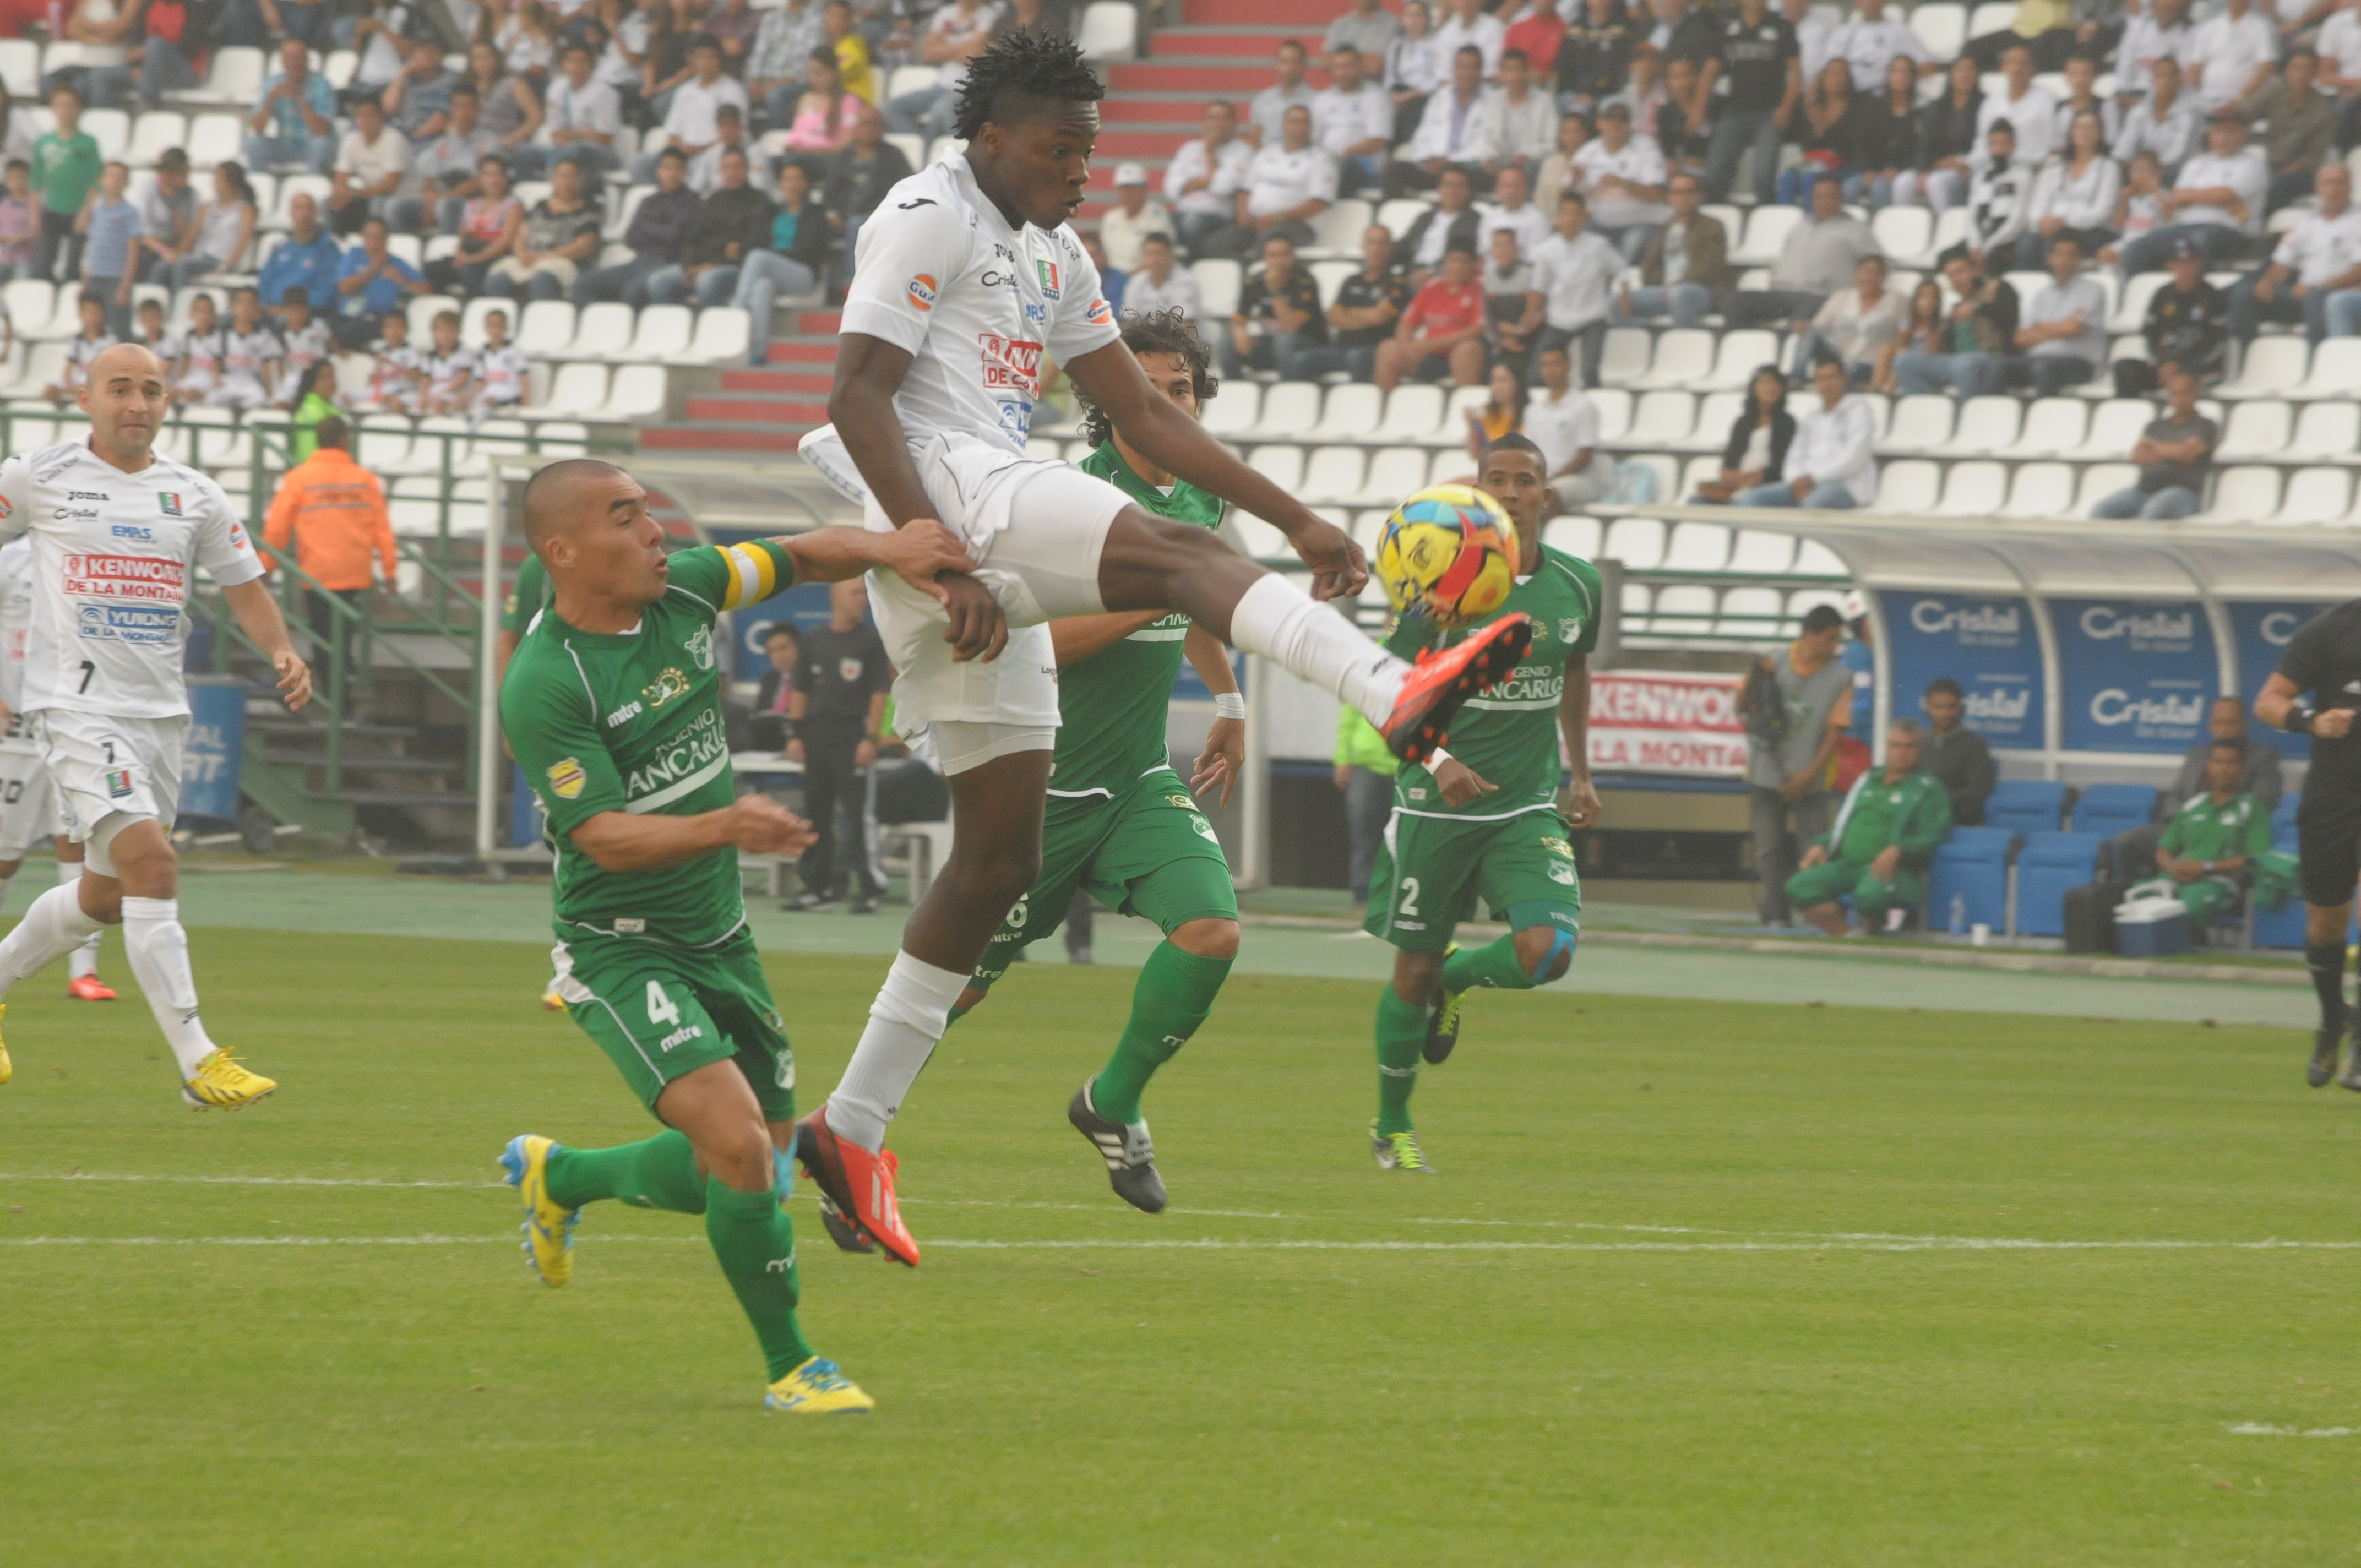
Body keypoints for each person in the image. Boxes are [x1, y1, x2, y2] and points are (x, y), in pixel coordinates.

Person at [793, 32, 1531, 1263]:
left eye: (1089, 149)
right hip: (944, 492)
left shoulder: (1055, 249)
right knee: (1184, 555)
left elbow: (1136, 407)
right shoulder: (925, 213)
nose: (1082, 170)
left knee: (994, 862)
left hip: (960, 531)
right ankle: (1396, 690)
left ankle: (847, 1128)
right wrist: (941, 553)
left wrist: (1294, 516)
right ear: (991, 138)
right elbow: (855, 396)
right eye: (1060, 148)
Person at [493, 465, 980, 1416]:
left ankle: (564, 1175)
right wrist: (727, 824)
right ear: (563, 551)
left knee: (757, 1162)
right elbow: (602, 838)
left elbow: (802, 555)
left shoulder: (685, 587)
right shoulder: (546, 681)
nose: (654, 532)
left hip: (720, 934)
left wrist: (886, 548)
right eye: (626, 518)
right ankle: (793, 1366)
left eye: (648, 512)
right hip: (621, 946)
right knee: (740, 1146)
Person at [934, 311, 1246, 1212]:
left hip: (1137, 782)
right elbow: (1031, 642)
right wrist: (1155, 589)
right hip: (1040, 796)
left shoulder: (1200, 498)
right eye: (1147, 390)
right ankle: (844, 1137)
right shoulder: (1070, 505)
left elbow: (1194, 604)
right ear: (1108, 404)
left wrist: (1227, 701)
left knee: (1212, 931)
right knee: (941, 1000)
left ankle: (1111, 1103)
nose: (1170, 404)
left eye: (1182, 389)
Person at [0, 344, 311, 1104]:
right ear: (86, 398)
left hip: (161, 716)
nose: (137, 403)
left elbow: (244, 586)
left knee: (105, 897)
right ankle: (199, 1062)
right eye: (120, 389)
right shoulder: (38, 476)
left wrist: (281, 648)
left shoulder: (194, 495)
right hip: (76, 709)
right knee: (153, 863)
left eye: (151, 390)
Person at [1359, 432, 1600, 1172]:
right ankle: (1392, 1129)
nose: (1510, 492)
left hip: (1524, 806)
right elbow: (1378, 688)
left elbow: (1575, 669)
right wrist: (1437, 759)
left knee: (1548, 952)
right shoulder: (1439, 585)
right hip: (1434, 808)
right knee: (1410, 971)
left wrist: (1581, 771)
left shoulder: (1579, 583)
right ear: (1477, 491)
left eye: (1524, 480)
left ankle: (1457, 977)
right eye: (1497, 479)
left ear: (1545, 495)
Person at [0, 535, 110, 1003]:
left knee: (79, 845)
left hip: (72, 728)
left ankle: (85, 972)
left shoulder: (91, 558)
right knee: (5, 855)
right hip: (16, 730)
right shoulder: (10, 560)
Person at [2256, 611, 2361, 1085]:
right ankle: (2332, 1021)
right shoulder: (2331, 630)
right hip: (2331, 797)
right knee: (2325, 926)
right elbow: (2268, 702)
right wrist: (2313, 722)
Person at [779, 576, 890, 914]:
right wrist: (795, 735)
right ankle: (818, 888)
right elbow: (801, 691)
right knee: (816, 813)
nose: (861, 600)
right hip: (817, 736)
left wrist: (870, 738)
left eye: (864, 594)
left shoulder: (870, 641)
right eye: (855, 592)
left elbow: (879, 693)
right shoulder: (814, 640)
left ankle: (869, 887)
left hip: (852, 736)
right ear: (835, 595)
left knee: (857, 815)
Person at [261, 413, 395, 689]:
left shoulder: (300, 478)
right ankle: (344, 683)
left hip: (317, 573)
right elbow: (382, 529)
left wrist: (266, 565)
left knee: (323, 636)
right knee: (344, 634)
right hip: (354, 571)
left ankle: (333, 690)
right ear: (345, 440)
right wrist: (390, 571)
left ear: (319, 441)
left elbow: (278, 528)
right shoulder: (364, 479)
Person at [1788, 718, 1952, 937]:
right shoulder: (1867, 780)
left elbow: (1933, 836)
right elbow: (1842, 824)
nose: (1901, 752)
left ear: (1920, 750)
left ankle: (1869, 934)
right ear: (1886, 748)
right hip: (1847, 866)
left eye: (1909, 746)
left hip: (1893, 870)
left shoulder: (1928, 788)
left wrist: (1899, 849)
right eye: (1895, 745)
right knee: (1799, 886)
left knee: (1870, 895)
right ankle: (1849, 936)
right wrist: (1821, 845)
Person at [1744, 602, 1849, 927]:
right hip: (1766, 774)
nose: (1835, 646)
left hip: (1812, 780)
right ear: (1809, 634)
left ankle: (1815, 916)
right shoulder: (1772, 661)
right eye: (1830, 638)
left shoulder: (1841, 676)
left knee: (1813, 848)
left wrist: (1808, 775)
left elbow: (1834, 733)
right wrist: (1758, 679)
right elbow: (1744, 706)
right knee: (1769, 849)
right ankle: (1776, 917)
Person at [2108, 695, 2285, 879]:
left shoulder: (2262, 756)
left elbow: (2264, 801)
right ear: (2210, 726)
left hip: (2227, 829)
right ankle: (2130, 889)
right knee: (2127, 842)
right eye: (2219, 723)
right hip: (2183, 824)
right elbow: (2176, 795)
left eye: (2230, 723)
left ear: (2244, 725)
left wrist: (2211, 819)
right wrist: (2185, 823)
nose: (2224, 729)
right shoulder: (2197, 754)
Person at [2115, 110, 2269, 278]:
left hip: (2230, 230)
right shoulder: (2196, 163)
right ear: (2210, 135)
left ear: (2244, 134)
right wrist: (2213, 197)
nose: (2224, 138)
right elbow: (2178, 196)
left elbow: (2225, 195)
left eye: (2231, 131)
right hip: (2186, 227)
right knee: (2135, 250)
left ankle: (2197, 290)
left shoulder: (2252, 165)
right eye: (2219, 132)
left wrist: (2195, 197)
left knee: (2199, 242)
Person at [2147, 741, 2274, 932]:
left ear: (2242, 768)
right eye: (2218, 762)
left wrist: (2205, 867)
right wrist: (2174, 868)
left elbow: (2256, 857)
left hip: (2221, 883)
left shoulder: (2252, 807)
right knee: (2139, 898)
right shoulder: (2193, 805)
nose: (2224, 769)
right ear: (2209, 766)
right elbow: (2164, 850)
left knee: (2187, 905)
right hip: (2177, 877)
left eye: (2231, 763)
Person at [2230, 161, 2361, 346]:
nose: (2334, 189)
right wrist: (2268, 281)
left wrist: (2319, 287)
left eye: (2340, 183)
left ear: (2350, 188)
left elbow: (2359, 270)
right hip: (2303, 294)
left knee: (2315, 297)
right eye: (2328, 183)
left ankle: (2316, 358)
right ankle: (2243, 357)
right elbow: (2282, 264)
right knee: (2245, 294)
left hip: (2338, 293)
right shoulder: (2305, 222)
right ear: (2317, 189)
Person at [1729, 172, 1880, 328]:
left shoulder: (1857, 230)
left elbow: (1876, 265)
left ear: (1841, 198)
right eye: (1819, 197)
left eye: (1830, 197)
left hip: (1822, 295)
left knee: (1803, 317)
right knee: (1737, 301)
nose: (1824, 202)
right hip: (1784, 293)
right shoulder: (1800, 227)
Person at [1735, 354, 1875, 508]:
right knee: (1750, 499)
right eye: (1820, 379)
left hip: (1845, 486)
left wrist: (1812, 479)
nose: (1826, 384)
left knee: (1813, 504)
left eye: (1831, 377)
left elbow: (1854, 459)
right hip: (1805, 484)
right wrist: (1796, 482)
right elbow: (1794, 457)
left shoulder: (1858, 410)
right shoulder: (1811, 419)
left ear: (1844, 379)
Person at [1699, 0, 1801, 208]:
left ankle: (1765, 218)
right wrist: (1699, 109)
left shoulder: (1782, 26)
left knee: (1763, 176)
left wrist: (1786, 108)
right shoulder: (1726, 26)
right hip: (1734, 110)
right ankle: (1718, 217)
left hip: (1770, 112)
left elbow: (1796, 73)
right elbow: (1710, 71)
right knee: (1715, 171)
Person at [732, 162, 833, 363]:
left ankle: (737, 311)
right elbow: (758, 241)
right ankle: (759, 351)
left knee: (759, 257)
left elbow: (810, 251)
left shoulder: (816, 213)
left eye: (797, 179)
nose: (792, 184)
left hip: (803, 274)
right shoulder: (773, 212)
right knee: (762, 287)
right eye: (787, 179)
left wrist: (775, 256)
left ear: (806, 184)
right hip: (774, 271)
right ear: (780, 184)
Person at [1207, 103, 1335, 260]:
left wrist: (1277, 218)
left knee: (1270, 243)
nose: (1299, 127)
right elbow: (1245, 191)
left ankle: (1257, 273)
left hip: (1296, 225)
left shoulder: (1322, 159)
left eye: (1305, 123)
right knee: (1215, 244)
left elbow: (1318, 203)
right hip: (1255, 222)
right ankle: (1243, 272)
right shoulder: (1266, 153)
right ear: (1284, 125)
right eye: (1294, 122)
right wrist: (1243, 215)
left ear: (1311, 127)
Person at [1894, 246, 2022, 401]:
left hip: (1990, 358)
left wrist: (1977, 308)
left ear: (1974, 270)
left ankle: (1969, 411)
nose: (1956, 279)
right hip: (1954, 362)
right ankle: (1928, 407)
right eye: (1951, 275)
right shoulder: (1956, 308)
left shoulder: (1997, 288)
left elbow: (2009, 316)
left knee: (1964, 365)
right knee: (1904, 362)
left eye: (1960, 272)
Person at [2090, 363, 2217, 518]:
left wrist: (2155, 447)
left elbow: (2187, 453)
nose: (2179, 399)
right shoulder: (2155, 426)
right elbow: (2138, 457)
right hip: (2144, 491)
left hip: (2183, 492)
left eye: (2184, 393)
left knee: (2152, 511)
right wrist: (2175, 451)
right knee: (2102, 510)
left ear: (2194, 394)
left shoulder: (2205, 425)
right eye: (2174, 394)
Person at [1521, 189, 1621, 385]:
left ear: (1584, 217)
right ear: (1558, 217)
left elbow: (1620, 268)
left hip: (1592, 317)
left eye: (1576, 213)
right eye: (1566, 212)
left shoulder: (1598, 246)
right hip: (1559, 319)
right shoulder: (1547, 249)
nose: (1571, 218)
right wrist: (1529, 313)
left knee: (1590, 373)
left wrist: (1624, 291)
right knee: (1536, 375)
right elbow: (1539, 285)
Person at [573, 146, 691, 307]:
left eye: (678, 169)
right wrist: (659, 230)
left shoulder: (692, 202)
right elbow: (630, 238)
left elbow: (673, 235)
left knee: (634, 290)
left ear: (685, 173)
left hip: (667, 263)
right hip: (639, 261)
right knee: (583, 285)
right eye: (667, 168)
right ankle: (599, 322)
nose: (672, 174)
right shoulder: (649, 202)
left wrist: (647, 227)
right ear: (658, 172)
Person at [2115, 235, 2231, 393]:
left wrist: (2182, 365)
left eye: (2190, 263)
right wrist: (2163, 364)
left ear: (2199, 263)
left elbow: (2217, 341)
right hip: (2165, 364)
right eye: (2179, 264)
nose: (2185, 268)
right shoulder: (2163, 295)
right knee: (2125, 369)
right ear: (2170, 266)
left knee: (2184, 377)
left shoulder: (2212, 296)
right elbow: (2151, 335)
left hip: (2199, 366)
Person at [488, 155, 604, 303]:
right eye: (562, 177)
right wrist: (521, 253)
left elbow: (583, 247)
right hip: (531, 258)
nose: (567, 182)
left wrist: (545, 256)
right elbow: (522, 235)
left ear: (580, 180)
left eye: (572, 177)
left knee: (542, 279)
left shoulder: (588, 210)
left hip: (563, 261)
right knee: (498, 280)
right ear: (554, 180)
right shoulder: (540, 206)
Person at [1621, 170, 1728, 328]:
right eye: (1676, 193)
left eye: (1689, 192)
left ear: (1700, 195)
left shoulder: (1712, 226)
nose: (1683, 197)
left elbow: (1709, 266)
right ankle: (1639, 339)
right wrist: (1657, 284)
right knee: (1618, 302)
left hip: (1700, 291)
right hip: (1664, 291)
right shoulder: (1666, 227)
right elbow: (1650, 264)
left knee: (1679, 295)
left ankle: (1684, 341)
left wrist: (1679, 284)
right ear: (1668, 197)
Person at [2020, 107, 2122, 270]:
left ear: (2100, 133)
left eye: (2091, 128)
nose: (2085, 132)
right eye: (2080, 127)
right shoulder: (2054, 164)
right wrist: (2041, 221)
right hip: (2051, 227)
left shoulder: (2109, 167)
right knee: (2026, 245)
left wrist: (2065, 222)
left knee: (2057, 247)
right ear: (2072, 132)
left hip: (2090, 230)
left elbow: (2103, 211)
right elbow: (2038, 203)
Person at [1377, 239, 1487, 390]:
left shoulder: (1480, 287)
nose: (1458, 267)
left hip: (1460, 353)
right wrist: (1409, 346)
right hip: (1429, 355)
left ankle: (1465, 402)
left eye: (1464, 262)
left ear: (1473, 265)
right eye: (1453, 261)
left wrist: (1432, 344)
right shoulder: (1433, 287)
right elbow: (1407, 324)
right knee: (1388, 349)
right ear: (1446, 262)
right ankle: (1388, 401)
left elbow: (1477, 330)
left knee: (1468, 350)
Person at [1219, 232, 1325, 382]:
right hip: (1271, 343)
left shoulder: (1305, 282)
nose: (1278, 261)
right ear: (1265, 258)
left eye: (1284, 255)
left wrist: (1276, 291)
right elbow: (1239, 318)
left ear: (1292, 257)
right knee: (1227, 343)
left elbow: (1291, 328)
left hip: (1306, 344)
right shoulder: (1255, 281)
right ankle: (1235, 388)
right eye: (1273, 256)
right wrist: (1240, 331)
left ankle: (1289, 388)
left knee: (1285, 341)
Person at [1571, 100, 1668, 262]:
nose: (1616, 123)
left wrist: (1624, 183)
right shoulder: (1588, 151)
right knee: (1580, 245)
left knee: (1630, 249)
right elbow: (1567, 197)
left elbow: (1656, 195)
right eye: (1610, 117)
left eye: (1623, 118)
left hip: (1642, 223)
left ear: (1630, 124)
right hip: (1600, 225)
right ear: (1599, 123)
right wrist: (1574, 182)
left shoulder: (1646, 148)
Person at [2011, 233, 2107, 395]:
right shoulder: (2042, 295)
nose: (2064, 261)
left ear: (2080, 258)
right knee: (1999, 368)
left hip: (2077, 363)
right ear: (2050, 258)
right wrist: (2062, 327)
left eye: (2071, 255)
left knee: (2043, 369)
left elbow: (2073, 329)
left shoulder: (2093, 290)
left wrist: (2039, 326)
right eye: (2059, 254)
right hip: (2037, 359)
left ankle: (2044, 411)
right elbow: (2020, 337)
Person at [1390, 44, 1490, 197]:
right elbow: (1422, 136)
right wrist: (1426, 159)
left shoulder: (1492, 101)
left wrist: (1449, 162)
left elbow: (1486, 145)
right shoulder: (1440, 97)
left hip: (1467, 170)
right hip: (1434, 167)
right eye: (1462, 67)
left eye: (1472, 67)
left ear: (1481, 71)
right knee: (1393, 170)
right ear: (1455, 69)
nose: (1466, 73)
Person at [1790, 253, 1900, 385]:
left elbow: (1905, 330)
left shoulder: (1897, 301)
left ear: (1884, 277)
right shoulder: (1841, 297)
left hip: (1870, 363)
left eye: (1876, 273)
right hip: (1839, 357)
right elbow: (1820, 326)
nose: (1870, 277)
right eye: (1866, 272)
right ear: (1856, 274)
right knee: (1809, 331)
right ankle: (1796, 378)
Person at [1162, 101, 1252, 259]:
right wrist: (1208, 180)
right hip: (1182, 213)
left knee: (1192, 225)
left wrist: (1210, 155)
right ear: (1204, 122)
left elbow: (1223, 188)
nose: (1218, 123)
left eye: (1224, 118)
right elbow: (1171, 189)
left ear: (1234, 123)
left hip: (1218, 218)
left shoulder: (1242, 151)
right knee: (1155, 224)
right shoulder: (1189, 149)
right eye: (1213, 118)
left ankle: (1193, 267)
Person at [1690, 364, 1793, 501]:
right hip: (1737, 484)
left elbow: (1782, 465)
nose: (1770, 388)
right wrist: (1731, 477)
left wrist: (1752, 478)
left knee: (1750, 499)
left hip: (1766, 485)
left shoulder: (1787, 423)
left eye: (1775, 384)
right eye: (1765, 383)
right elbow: (1729, 461)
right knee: (1697, 500)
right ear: (1754, 387)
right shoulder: (1743, 422)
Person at [1894, 53, 1982, 213]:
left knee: (1936, 183)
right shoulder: (1937, 107)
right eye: (1960, 70)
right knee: (1903, 182)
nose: (1964, 74)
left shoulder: (1984, 106)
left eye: (1970, 70)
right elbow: (1924, 143)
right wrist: (1923, 171)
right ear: (1951, 75)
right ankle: (1904, 225)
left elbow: (1984, 144)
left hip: (1966, 168)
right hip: (1936, 165)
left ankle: (1945, 224)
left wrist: (1962, 161)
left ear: (1977, 76)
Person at [1522, 342, 1604, 509]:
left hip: (1578, 478)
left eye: (1555, 364)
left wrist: (1552, 478)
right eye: (1545, 365)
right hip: (1541, 478)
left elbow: (1585, 456)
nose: (1550, 370)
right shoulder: (1534, 410)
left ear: (1568, 367)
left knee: (1547, 493)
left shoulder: (1583, 406)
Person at [32, 85, 101, 284]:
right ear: (53, 108)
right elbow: (36, 181)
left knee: (73, 264)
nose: (65, 110)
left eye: (70, 105)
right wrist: (34, 214)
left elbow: (95, 180)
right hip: (52, 208)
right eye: (60, 105)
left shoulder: (88, 143)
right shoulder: (44, 142)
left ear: (78, 109)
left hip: (77, 209)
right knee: (43, 264)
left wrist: (86, 211)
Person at [2254, 50, 2337, 214]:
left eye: (2307, 69)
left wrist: (2282, 172)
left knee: (2279, 184)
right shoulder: (2275, 93)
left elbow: (2314, 156)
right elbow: (2246, 113)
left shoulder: (2324, 109)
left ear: (2315, 73)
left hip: (2303, 173)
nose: (2301, 74)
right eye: (2295, 68)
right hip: (2269, 164)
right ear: (2286, 72)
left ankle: (2263, 223)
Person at [246, 39, 340, 177]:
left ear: (307, 61)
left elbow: (322, 131)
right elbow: (258, 129)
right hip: (286, 146)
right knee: (253, 143)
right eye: (291, 58)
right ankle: (263, 184)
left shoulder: (322, 85)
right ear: (283, 62)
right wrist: (270, 101)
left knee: (321, 144)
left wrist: (301, 99)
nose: (296, 63)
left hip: (313, 147)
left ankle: (312, 186)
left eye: (300, 58)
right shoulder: (272, 84)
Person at [334, 216, 429, 350]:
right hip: (348, 314)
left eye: (379, 238)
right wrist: (373, 268)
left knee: (347, 334)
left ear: (386, 239)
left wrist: (403, 281)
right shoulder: (354, 255)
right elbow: (344, 288)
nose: (374, 242)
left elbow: (426, 290)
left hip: (378, 318)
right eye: (370, 237)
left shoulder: (396, 263)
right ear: (363, 237)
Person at [1335, 708, 1397, 903]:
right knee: (1364, 835)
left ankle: (1397, 896)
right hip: (1366, 765)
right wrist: (1343, 758)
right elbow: (1348, 721)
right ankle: (1363, 896)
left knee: (1404, 838)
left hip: (1405, 765)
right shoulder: (1364, 686)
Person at [1314, 44, 1392, 195]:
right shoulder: (1322, 100)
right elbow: (1314, 141)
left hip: (1365, 165)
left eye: (1348, 67)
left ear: (1360, 66)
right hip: (1329, 162)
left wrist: (1340, 155)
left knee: (1337, 168)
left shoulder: (1377, 97)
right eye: (1338, 67)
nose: (1343, 73)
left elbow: (1378, 141)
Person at [74, 161, 140, 340]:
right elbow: (90, 244)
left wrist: (125, 287)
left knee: (119, 329)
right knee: (93, 328)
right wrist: (85, 281)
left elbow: (133, 251)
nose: (114, 181)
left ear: (127, 182)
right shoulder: (97, 211)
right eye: (111, 176)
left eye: (120, 177)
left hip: (116, 278)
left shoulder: (129, 213)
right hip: (95, 276)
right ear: (102, 180)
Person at [2112, 54, 2201, 184]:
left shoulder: (2191, 112)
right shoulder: (2141, 109)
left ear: (2180, 80)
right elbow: (2125, 148)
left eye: (2171, 76)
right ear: (2153, 80)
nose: (2165, 81)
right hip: (2143, 174)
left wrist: (2149, 172)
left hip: (2181, 177)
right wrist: (2134, 169)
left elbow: (2179, 155)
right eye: (2160, 76)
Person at [540, 40, 624, 177]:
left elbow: (604, 138)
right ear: (563, 64)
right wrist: (579, 136)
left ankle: (555, 181)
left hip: (605, 154)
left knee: (575, 149)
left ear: (592, 65)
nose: (576, 67)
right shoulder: (556, 89)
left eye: (582, 62)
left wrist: (570, 135)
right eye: (571, 61)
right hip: (566, 149)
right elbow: (555, 133)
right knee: (526, 153)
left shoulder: (604, 92)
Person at [1921, 677, 1995, 827]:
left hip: (1957, 821)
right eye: (1938, 707)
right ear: (1928, 709)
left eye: (1951, 707)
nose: (1945, 714)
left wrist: (1935, 800)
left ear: (1962, 708)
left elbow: (1978, 791)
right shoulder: (1919, 742)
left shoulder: (1975, 745)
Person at [1479, 46, 1557, 184]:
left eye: (1518, 70)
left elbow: (1551, 143)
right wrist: (1488, 157)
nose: (1514, 75)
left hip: (1532, 163)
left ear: (1527, 72)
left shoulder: (1544, 101)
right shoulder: (1494, 101)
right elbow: (1487, 137)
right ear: (1501, 74)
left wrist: (1527, 155)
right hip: (1502, 161)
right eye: (1508, 70)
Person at [2187, 0, 2279, 116]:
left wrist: (2239, 99)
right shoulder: (2209, 27)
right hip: (2206, 99)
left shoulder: (2262, 26)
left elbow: (2266, 69)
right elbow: (2195, 66)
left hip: (2243, 102)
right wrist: (2198, 96)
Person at [1963, 119, 2033, 270]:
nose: (1999, 149)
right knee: (1951, 257)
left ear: (2013, 146)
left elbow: (2019, 218)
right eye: (1994, 143)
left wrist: (1988, 246)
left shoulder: (2022, 176)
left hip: (2006, 240)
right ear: (1988, 147)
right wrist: (1975, 245)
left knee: (1994, 260)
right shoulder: (1981, 177)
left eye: (2004, 143)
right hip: (1980, 240)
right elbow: (1972, 214)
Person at [1392, 164, 1481, 282]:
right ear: (1440, 188)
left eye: (1460, 186)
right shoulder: (1426, 217)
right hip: (1411, 272)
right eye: (1449, 185)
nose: (1454, 191)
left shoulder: (1475, 222)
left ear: (1468, 190)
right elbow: (1405, 245)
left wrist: (1431, 272)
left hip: (1445, 277)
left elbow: (1462, 257)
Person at [1830, 0, 1930, 92]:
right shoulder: (1842, 33)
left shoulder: (1899, 32)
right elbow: (1827, 69)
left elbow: (1928, 65)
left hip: (1882, 96)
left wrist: (1899, 80)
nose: (1870, 2)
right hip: (1847, 94)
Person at [1384, 0, 1447, 145]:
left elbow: (1437, 78)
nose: (1414, 21)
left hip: (1424, 97)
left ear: (1427, 18)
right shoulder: (1397, 45)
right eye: (1409, 15)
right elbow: (1390, 78)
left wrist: (1410, 95)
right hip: (1399, 94)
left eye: (1419, 15)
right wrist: (1395, 96)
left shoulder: (1437, 44)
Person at [1098, 161, 1173, 274]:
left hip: (1145, 277)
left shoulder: (1156, 215)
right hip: (1112, 277)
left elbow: (1158, 255)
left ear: (1145, 189)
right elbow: (1105, 253)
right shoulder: (1111, 217)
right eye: (1124, 189)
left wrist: (1126, 278)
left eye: (1133, 188)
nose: (1128, 193)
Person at [1247, 37, 1318, 147]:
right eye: (1284, 62)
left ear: (1304, 65)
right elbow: (1255, 138)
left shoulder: (1317, 101)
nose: (1288, 68)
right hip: (1267, 156)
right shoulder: (1263, 100)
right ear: (1276, 64)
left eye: (1294, 62)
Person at [1120, 233, 1200, 322]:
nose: (1154, 259)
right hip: (1145, 331)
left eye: (1159, 254)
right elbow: (1128, 321)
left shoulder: (1186, 282)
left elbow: (1187, 324)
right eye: (1149, 254)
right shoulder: (1136, 281)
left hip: (1178, 330)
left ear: (1171, 255)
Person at [749, 621, 803, 752]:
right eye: (772, 651)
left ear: (800, 647)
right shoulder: (769, 680)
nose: (779, 656)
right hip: (768, 744)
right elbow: (760, 714)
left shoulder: (813, 679)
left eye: (783, 648)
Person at [1328, 0, 1402, 77]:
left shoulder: (1393, 25)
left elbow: (1376, 67)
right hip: (1342, 84)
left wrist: (1342, 62)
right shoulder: (1341, 24)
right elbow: (1326, 60)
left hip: (1376, 84)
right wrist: (1365, 60)